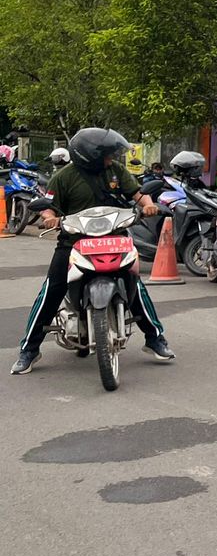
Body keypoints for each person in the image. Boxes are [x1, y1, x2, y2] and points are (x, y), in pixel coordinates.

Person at [12, 128, 174, 375]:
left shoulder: (116, 171)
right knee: (52, 289)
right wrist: (49, 218)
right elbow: (49, 207)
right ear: (90, 156)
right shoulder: (63, 177)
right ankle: (29, 349)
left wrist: (149, 205)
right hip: (74, 242)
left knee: (135, 285)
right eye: (107, 155)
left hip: (115, 239)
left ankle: (155, 338)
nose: (112, 159)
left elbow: (138, 195)